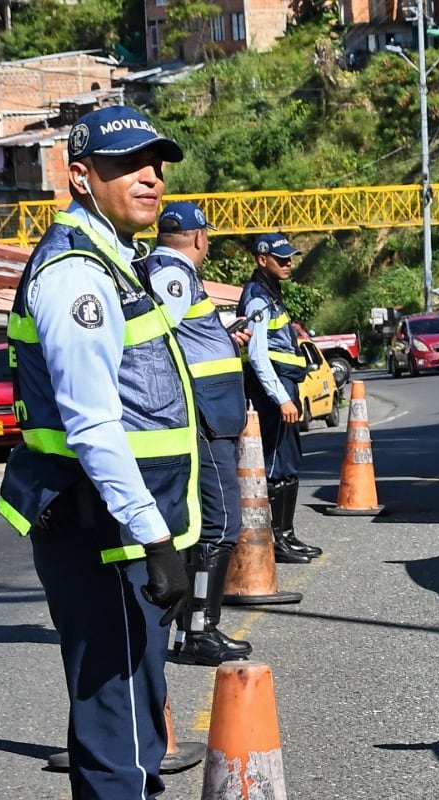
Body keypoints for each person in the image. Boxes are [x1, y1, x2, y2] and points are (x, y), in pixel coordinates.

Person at [0, 104, 192, 800]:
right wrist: (154, 538)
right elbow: (94, 423)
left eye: (156, 161)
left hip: (116, 530)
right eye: (126, 163)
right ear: (80, 175)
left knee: (120, 724)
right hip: (104, 532)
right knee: (115, 727)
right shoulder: (78, 275)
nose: (149, 175)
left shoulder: (115, 261)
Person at [147, 201, 253, 665]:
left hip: (209, 414)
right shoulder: (173, 275)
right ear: (198, 238)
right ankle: (199, 631)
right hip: (205, 416)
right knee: (220, 524)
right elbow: (158, 338)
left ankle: (196, 627)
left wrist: (224, 338)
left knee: (214, 525)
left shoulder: (172, 274)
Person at [239, 232, 320, 564]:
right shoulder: (258, 297)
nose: (288, 264)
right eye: (281, 259)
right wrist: (281, 398)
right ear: (262, 260)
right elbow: (257, 355)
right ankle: (278, 540)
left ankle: (287, 535)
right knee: (275, 466)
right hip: (272, 394)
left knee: (288, 464)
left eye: (290, 258)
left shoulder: (272, 293)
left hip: (285, 388)